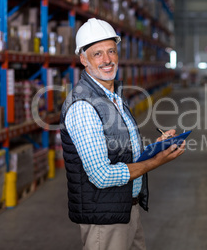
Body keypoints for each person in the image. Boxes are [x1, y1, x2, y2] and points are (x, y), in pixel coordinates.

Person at [60, 18, 186, 250]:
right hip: (104, 221)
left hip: (126, 209)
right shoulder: (83, 106)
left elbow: (119, 150)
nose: (107, 60)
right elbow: (102, 176)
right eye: (97, 54)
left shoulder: (113, 96)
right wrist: (156, 161)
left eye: (111, 51)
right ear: (83, 59)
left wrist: (156, 147)